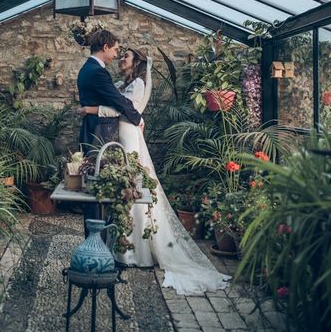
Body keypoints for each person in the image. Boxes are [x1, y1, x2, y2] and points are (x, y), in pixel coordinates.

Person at [78, 47, 231, 295]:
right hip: (124, 133)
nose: (121, 58)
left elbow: (121, 109)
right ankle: (125, 246)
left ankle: (132, 251)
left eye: (126, 56)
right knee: (127, 189)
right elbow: (117, 101)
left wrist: (91, 110)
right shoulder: (125, 83)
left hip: (127, 137)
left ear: (136, 62)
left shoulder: (138, 84)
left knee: (132, 188)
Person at [77, 30, 142, 155]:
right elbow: (117, 100)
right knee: (98, 168)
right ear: (105, 47)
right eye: (115, 50)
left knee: (91, 167)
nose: (116, 55)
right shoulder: (98, 72)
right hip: (99, 129)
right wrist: (137, 118)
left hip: (91, 127)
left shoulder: (86, 68)